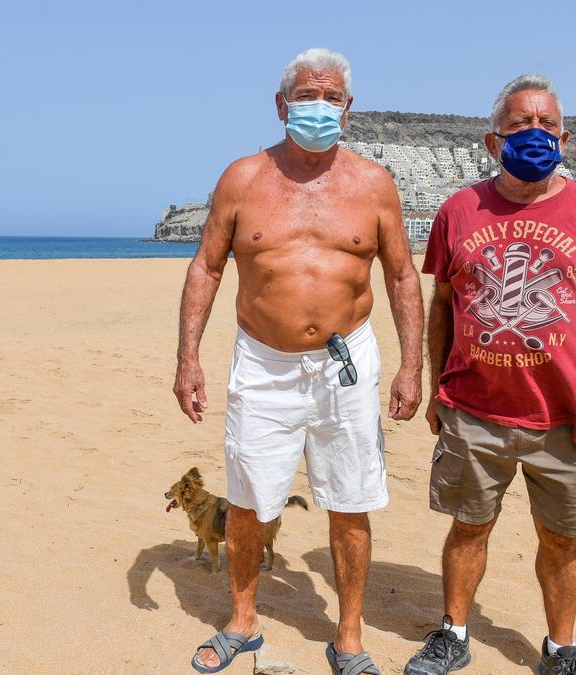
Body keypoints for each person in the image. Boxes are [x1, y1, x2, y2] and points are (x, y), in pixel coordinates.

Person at [174, 48, 424, 674]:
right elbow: (206, 267)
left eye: (331, 98)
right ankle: (243, 620)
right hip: (262, 364)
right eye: (307, 98)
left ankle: (349, 636)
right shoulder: (243, 178)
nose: (320, 108)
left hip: (346, 362)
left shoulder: (373, 183)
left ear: (348, 108)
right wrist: (188, 359)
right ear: (282, 106)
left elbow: (400, 276)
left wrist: (411, 365)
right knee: (251, 496)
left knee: (350, 498)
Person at [403, 74, 576, 675]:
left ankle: (561, 648)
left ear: (565, 137)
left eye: (544, 125)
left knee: (562, 540)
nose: (532, 134)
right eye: (518, 126)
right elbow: (442, 304)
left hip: (567, 419)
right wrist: (437, 387)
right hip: (474, 413)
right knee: (468, 526)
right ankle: (453, 633)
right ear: (492, 142)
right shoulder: (459, 210)